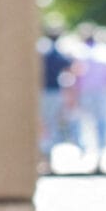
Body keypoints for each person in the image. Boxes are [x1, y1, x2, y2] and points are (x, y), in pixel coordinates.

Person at [69, 24, 106, 159]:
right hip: (101, 92)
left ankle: (86, 150)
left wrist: (73, 94)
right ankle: (100, 149)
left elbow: (76, 74)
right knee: (101, 121)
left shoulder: (80, 52)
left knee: (85, 122)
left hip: (86, 92)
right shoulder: (105, 53)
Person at [38, 20, 74, 158]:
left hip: (45, 91)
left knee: (46, 124)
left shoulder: (43, 52)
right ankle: (47, 154)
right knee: (50, 124)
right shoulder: (54, 53)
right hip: (51, 91)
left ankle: (46, 155)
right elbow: (71, 67)